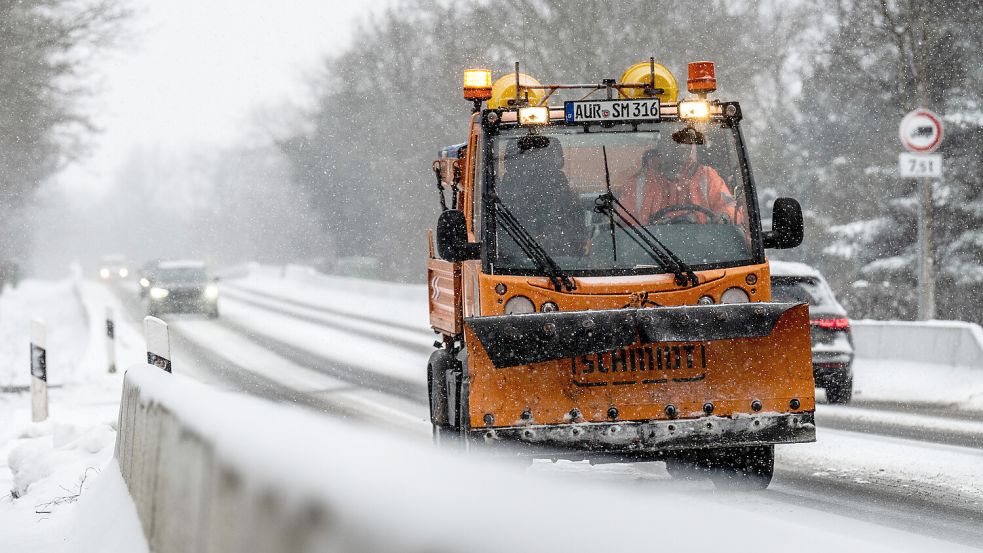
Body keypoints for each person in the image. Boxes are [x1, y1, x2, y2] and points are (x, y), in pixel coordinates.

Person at [619, 138, 743, 225]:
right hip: (652, 254)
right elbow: (624, 228)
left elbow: (731, 208)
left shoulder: (707, 177)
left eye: (683, 144)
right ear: (660, 147)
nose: (678, 149)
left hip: (705, 250)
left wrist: (725, 216)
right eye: (671, 143)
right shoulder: (638, 184)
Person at [498, 137, 585, 257]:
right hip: (519, 251)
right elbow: (504, 224)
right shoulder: (510, 186)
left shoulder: (559, 182)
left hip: (562, 257)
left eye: (542, 157)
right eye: (529, 158)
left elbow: (573, 223)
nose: (535, 162)